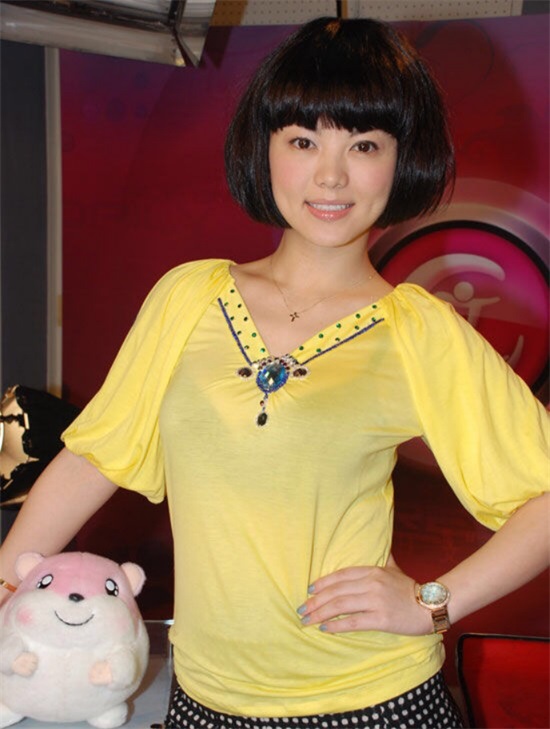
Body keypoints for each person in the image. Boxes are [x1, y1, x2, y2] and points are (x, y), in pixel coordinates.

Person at [0, 16, 548, 729]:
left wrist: (430, 603)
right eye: (302, 140)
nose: (330, 175)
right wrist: (5, 582)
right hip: (207, 699)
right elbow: (92, 458)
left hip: (373, 701)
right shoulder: (188, 296)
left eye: (364, 144)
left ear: (400, 160)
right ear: (264, 148)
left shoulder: (419, 331)